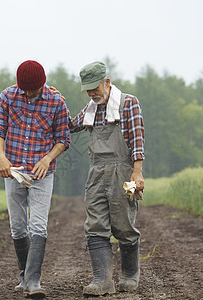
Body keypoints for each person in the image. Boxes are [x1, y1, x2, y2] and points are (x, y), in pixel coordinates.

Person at [0, 60, 70, 299]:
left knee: (38, 225)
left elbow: (64, 138)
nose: (29, 93)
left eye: (33, 89)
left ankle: (34, 281)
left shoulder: (56, 102)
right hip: (14, 169)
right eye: (25, 89)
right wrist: (1, 157)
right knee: (17, 226)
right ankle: (24, 276)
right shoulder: (7, 96)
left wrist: (47, 159)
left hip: (42, 172)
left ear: (43, 83)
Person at [69, 61, 145, 296]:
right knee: (95, 225)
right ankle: (102, 280)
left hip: (123, 172)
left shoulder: (128, 103)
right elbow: (71, 125)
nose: (92, 94)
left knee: (123, 225)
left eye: (95, 88)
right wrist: (57, 102)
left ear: (107, 82)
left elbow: (137, 139)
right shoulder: (91, 108)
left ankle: (130, 274)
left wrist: (137, 171)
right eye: (88, 90)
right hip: (96, 173)